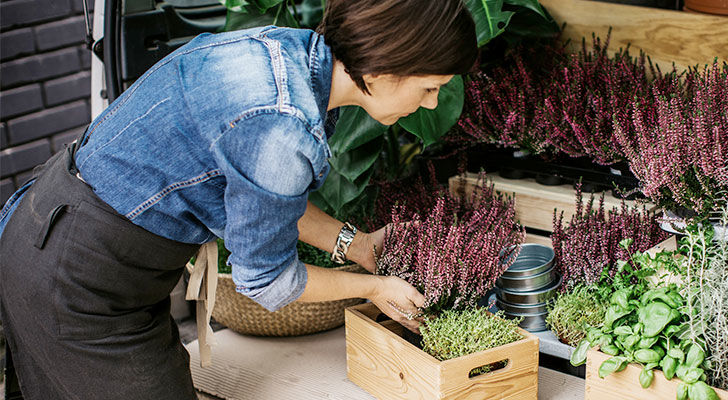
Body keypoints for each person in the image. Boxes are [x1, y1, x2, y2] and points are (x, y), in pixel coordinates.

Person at [0, 0, 477, 398]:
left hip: (62, 232)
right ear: (385, 64)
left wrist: (359, 246)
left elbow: (264, 198)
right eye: (430, 87)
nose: (433, 103)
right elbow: (266, 281)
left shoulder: (284, 54)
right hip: (76, 279)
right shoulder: (281, 126)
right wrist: (375, 289)